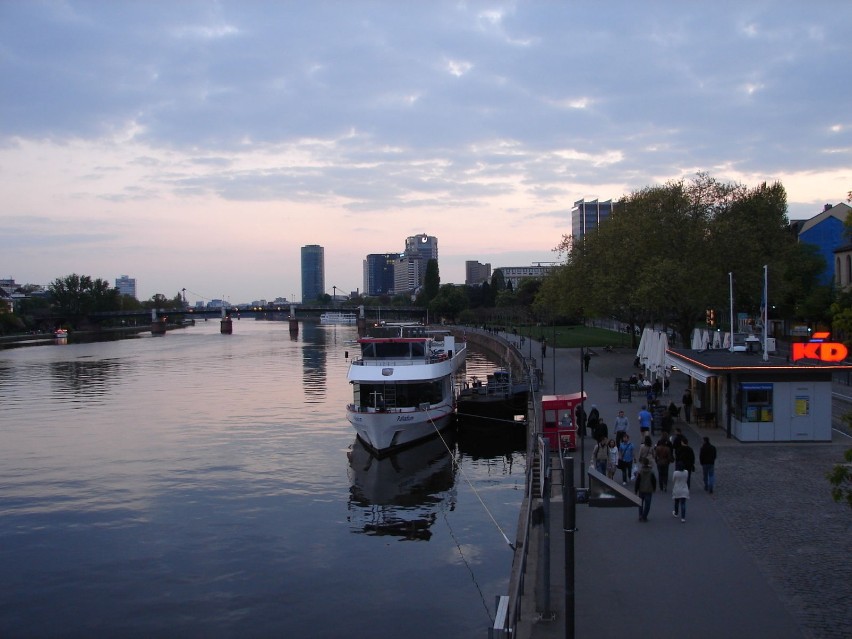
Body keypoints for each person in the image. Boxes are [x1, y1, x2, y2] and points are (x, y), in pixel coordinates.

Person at [634, 457, 657, 522]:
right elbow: (654, 481)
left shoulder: (640, 472)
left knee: (640, 504)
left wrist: (636, 490)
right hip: (649, 489)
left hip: (641, 489)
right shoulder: (651, 472)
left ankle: (640, 515)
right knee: (648, 504)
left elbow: (637, 481)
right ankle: (644, 516)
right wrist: (654, 488)